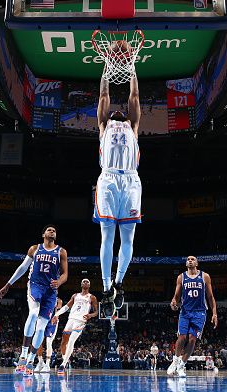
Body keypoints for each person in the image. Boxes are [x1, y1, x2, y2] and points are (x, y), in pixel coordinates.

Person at [94, 64, 142, 317]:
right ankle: (105, 287)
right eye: (115, 111)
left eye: (121, 111)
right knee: (107, 236)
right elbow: (104, 96)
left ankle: (119, 283)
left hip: (131, 181)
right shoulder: (104, 125)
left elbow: (134, 97)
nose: (118, 111)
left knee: (128, 238)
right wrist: (107, 69)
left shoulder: (133, 127)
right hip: (109, 179)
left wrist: (131, 67)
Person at [0, 225, 68, 377]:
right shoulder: (35, 248)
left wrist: (59, 282)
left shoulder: (61, 252)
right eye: (49, 230)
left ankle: (30, 360)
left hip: (51, 292)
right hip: (35, 286)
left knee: (42, 327)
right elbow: (23, 267)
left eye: (54, 230)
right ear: (43, 234)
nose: (52, 231)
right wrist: (8, 285)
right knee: (33, 314)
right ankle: (23, 355)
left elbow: (65, 274)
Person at [167, 256, 217, 377]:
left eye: (192, 259)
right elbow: (176, 297)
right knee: (182, 337)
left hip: (199, 312)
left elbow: (210, 297)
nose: (190, 260)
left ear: (197, 263)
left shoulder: (205, 276)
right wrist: (173, 303)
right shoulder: (181, 277)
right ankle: (175, 361)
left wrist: (214, 313)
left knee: (193, 339)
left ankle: (181, 365)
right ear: (186, 263)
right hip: (185, 312)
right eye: (188, 259)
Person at [53, 278, 98, 375]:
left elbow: (96, 312)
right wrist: (56, 314)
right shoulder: (75, 295)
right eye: (84, 281)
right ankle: (65, 359)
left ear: (89, 285)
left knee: (71, 340)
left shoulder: (92, 297)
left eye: (87, 282)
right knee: (63, 342)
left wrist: (90, 315)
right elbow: (66, 307)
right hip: (71, 319)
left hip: (80, 321)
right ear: (81, 285)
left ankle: (63, 364)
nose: (85, 282)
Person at [34, 297, 63, 373]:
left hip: (52, 322)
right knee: (38, 341)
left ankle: (47, 364)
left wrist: (56, 316)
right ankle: (40, 362)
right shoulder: (43, 297)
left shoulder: (58, 300)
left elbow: (58, 310)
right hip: (42, 319)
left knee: (48, 341)